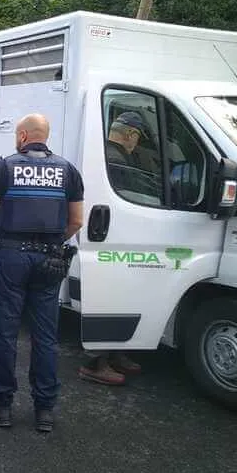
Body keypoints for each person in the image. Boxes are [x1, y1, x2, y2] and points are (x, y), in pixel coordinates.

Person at [0, 113, 84, 432]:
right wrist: (52, 244)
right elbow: (77, 220)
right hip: (50, 261)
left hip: (10, 257)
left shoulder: (5, 167)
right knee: (45, 337)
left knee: (6, 334)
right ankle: (44, 411)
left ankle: (3, 405)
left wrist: (3, 243)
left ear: (23, 136)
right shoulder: (67, 170)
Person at [77, 111, 146, 385]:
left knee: (121, 298)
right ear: (130, 134)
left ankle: (116, 354)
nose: (137, 144)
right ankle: (95, 363)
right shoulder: (116, 157)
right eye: (137, 137)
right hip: (114, 235)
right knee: (108, 299)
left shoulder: (113, 154)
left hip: (119, 235)